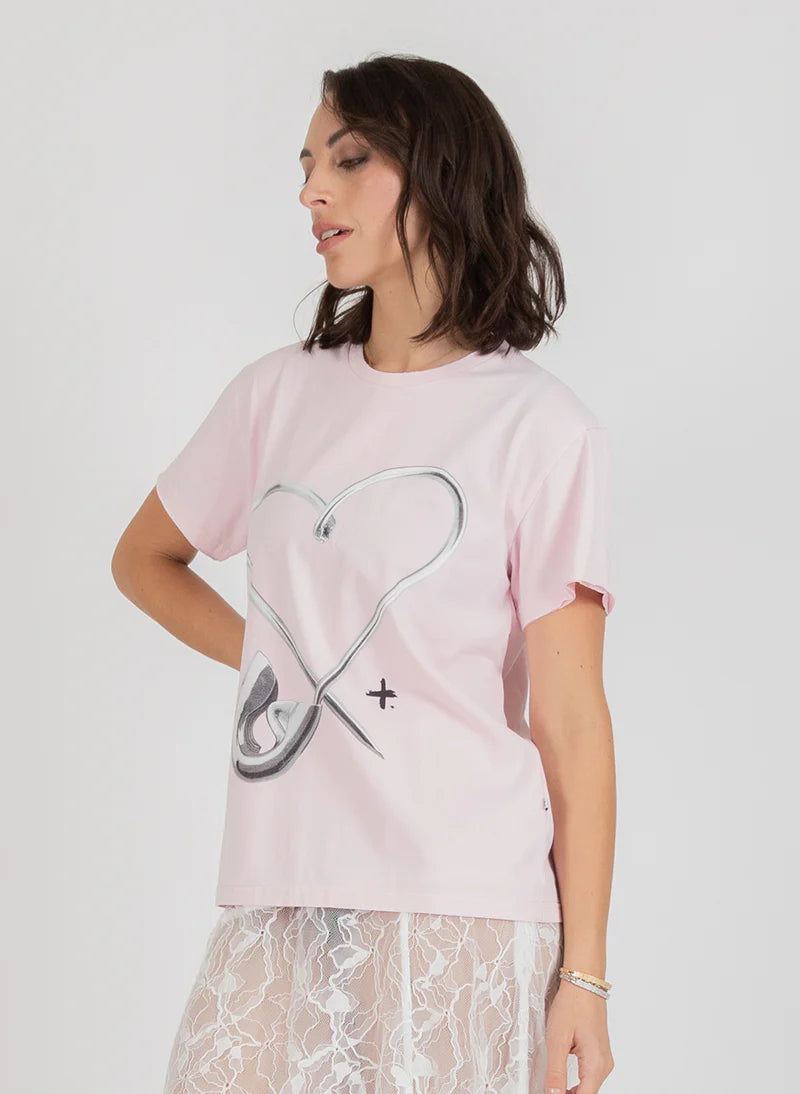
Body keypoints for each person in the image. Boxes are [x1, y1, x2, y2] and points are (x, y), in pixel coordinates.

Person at [112, 54, 617, 1094]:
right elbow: (144, 560)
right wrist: (273, 655)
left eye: (346, 160)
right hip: (279, 888)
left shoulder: (540, 427)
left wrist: (585, 977)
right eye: (306, 165)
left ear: (438, 173)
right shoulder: (275, 395)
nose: (311, 190)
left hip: (462, 902)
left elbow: (572, 722)